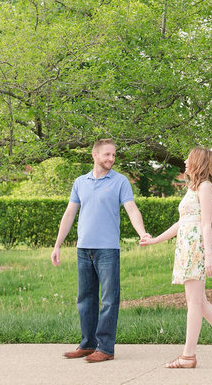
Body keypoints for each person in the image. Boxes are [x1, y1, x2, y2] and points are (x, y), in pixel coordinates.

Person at [140, 147, 212, 369]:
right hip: (186, 248)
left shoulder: (206, 187)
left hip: (196, 247)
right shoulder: (193, 188)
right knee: (200, 302)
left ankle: (188, 355)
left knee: (195, 303)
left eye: (189, 158)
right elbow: (183, 223)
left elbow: (206, 224)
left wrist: (208, 257)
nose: (185, 161)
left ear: (198, 162)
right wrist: (155, 239)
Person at [51, 138, 151, 363]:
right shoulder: (80, 182)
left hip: (108, 250)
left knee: (109, 299)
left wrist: (142, 232)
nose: (111, 159)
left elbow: (132, 209)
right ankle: (87, 345)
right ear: (95, 155)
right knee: (85, 299)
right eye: (107, 155)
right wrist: (57, 245)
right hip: (83, 249)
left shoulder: (120, 181)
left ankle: (105, 348)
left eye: (114, 155)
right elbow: (69, 214)